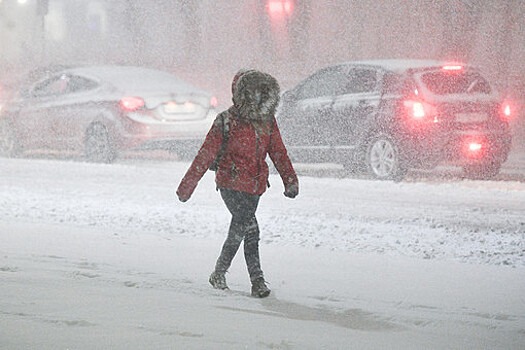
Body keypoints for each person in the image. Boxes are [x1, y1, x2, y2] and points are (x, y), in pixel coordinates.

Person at [176, 69, 299, 298]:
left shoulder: (267, 122)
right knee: (249, 229)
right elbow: (205, 155)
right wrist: (187, 187)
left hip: (254, 188)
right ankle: (257, 281)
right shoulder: (226, 120)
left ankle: (219, 273)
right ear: (241, 94)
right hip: (230, 184)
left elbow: (278, 152)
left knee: (242, 228)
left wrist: (290, 180)